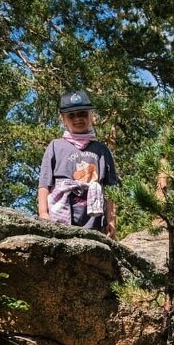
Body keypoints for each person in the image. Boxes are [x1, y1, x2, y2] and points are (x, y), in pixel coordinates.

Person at [37, 89, 119, 238]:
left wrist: (112, 220)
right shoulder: (55, 146)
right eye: (71, 115)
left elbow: (112, 189)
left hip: (94, 222)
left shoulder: (102, 150)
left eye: (82, 113)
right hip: (59, 218)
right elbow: (44, 183)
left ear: (91, 115)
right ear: (63, 119)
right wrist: (43, 212)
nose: (77, 119)